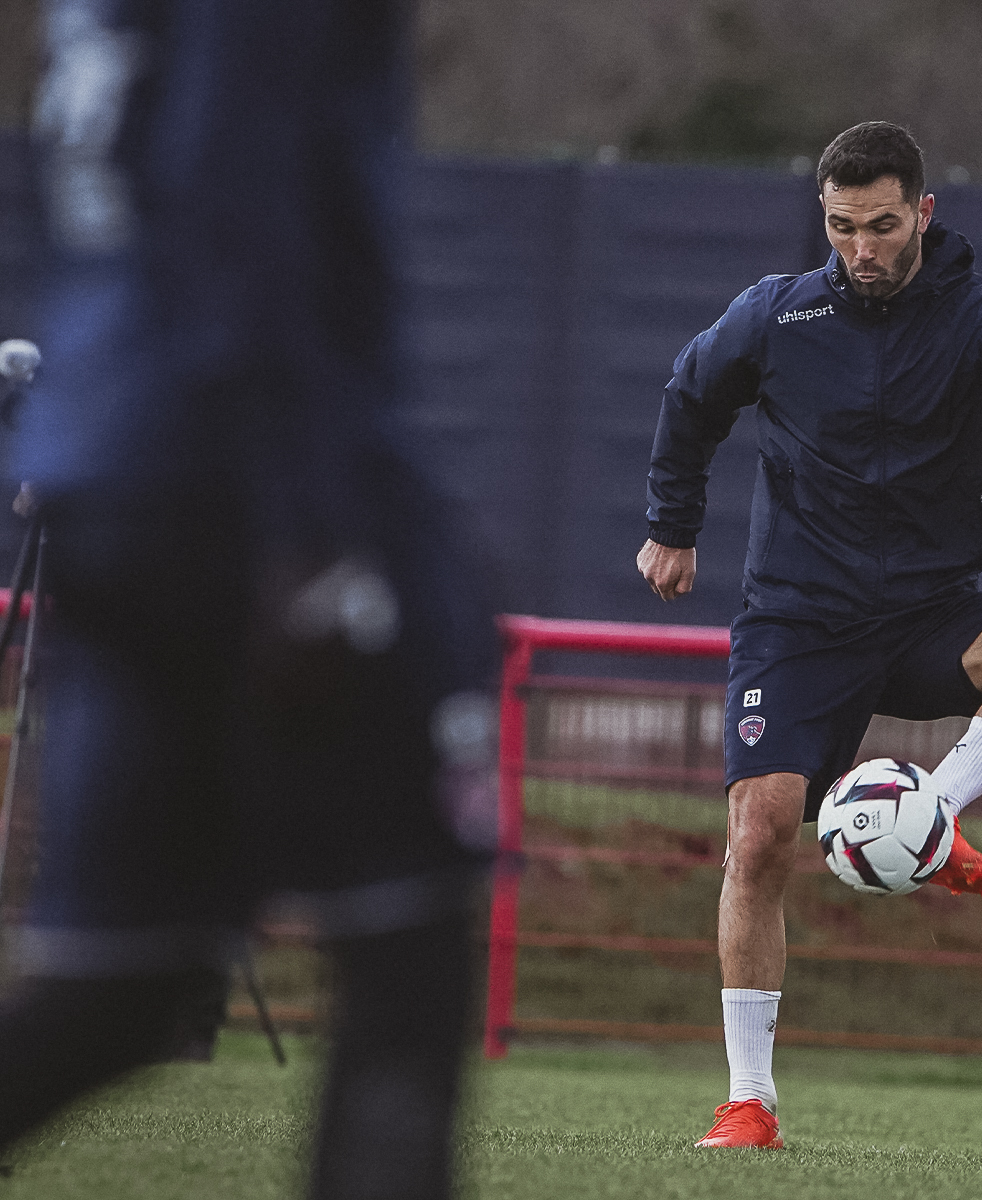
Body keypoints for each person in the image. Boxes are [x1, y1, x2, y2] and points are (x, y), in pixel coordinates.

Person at [0, 3, 500, 1197]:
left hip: (112, 470)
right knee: (410, 947)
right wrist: (309, 522)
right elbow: (232, 187)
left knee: (120, 986)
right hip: (252, 477)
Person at [637, 121, 982, 1150]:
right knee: (761, 835)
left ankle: (929, 818)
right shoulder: (778, 313)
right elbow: (691, 395)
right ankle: (747, 1103)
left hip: (928, 616)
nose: (860, 247)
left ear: (922, 213)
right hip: (799, 623)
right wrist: (670, 528)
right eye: (840, 226)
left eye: (880, 224)